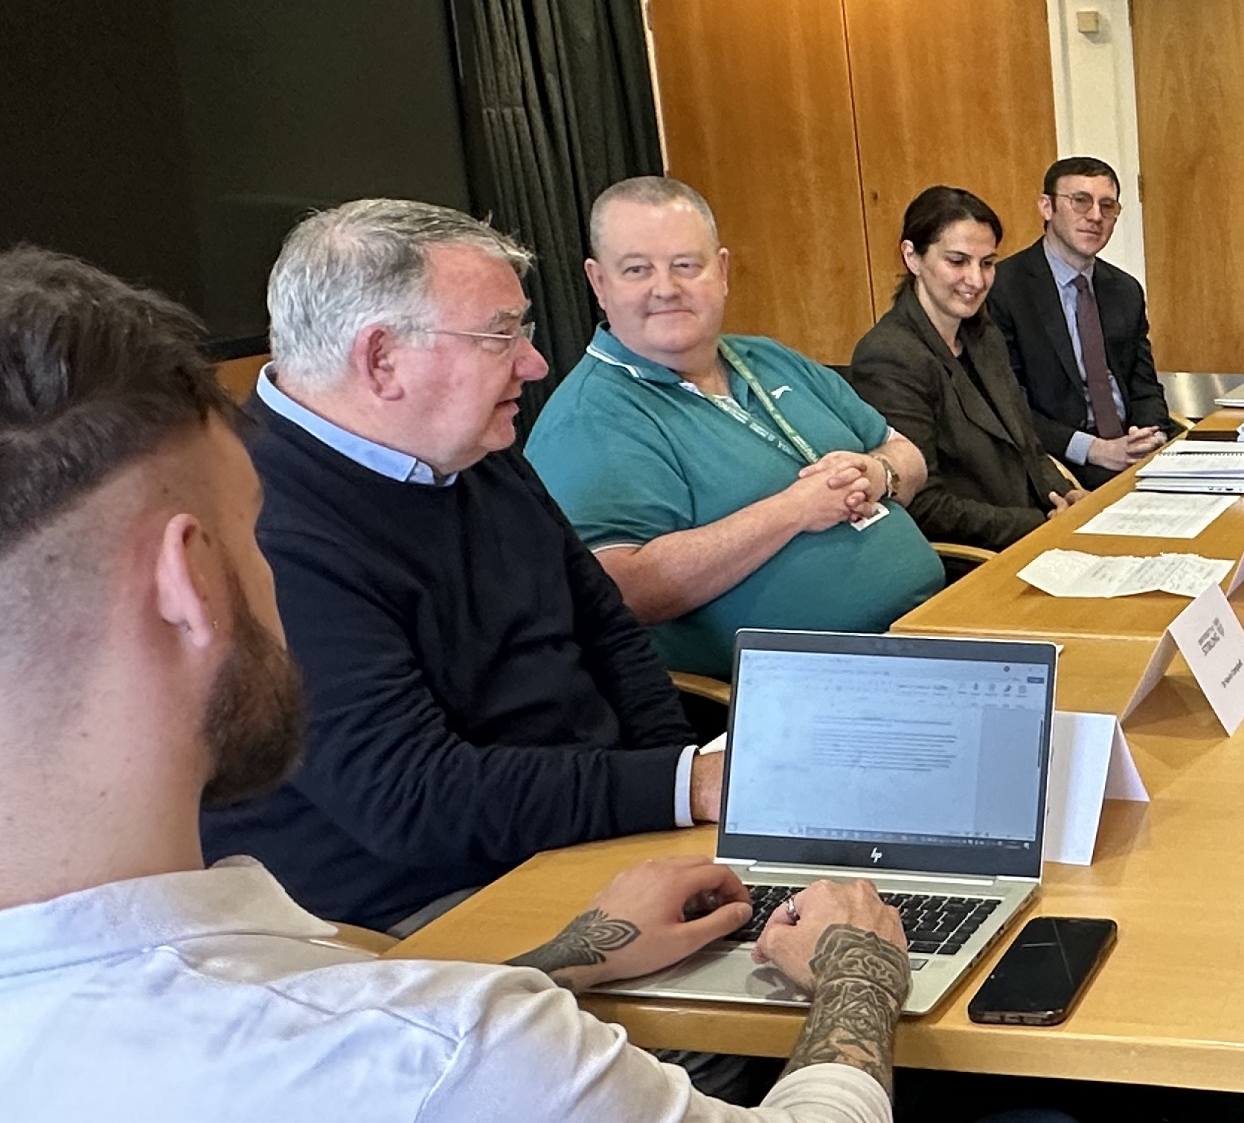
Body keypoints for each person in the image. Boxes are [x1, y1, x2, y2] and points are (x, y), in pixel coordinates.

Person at [0, 248, 1133, 1123]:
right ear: (187, 583)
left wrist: (572, 956)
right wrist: (855, 976)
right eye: (255, 539)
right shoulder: (439, 1074)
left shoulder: (365, 1052)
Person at [199, 200, 716, 934]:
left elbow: (610, 633)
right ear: (382, 360)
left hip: (586, 836)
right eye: (501, 335)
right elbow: (411, 797)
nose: (535, 363)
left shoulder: (467, 443)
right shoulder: (258, 519)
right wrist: (680, 787)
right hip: (423, 912)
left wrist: (684, 807)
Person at [526, 176, 943, 679]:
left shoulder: (769, 357)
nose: (666, 289)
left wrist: (878, 474)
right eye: (637, 270)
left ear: (721, 271)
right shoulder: (590, 418)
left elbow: (906, 454)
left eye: (686, 265)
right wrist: (795, 510)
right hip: (813, 685)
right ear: (598, 283)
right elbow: (621, 590)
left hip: (937, 625)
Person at [851, 186, 1080, 551]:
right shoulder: (889, 356)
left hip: (1038, 532)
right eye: (957, 261)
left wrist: (1069, 496)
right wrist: (1041, 524)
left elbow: (1028, 446)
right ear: (912, 257)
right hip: (979, 557)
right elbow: (924, 505)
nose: (976, 280)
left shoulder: (984, 334)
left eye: (987, 263)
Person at [989, 156, 1173, 489]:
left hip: (1132, 448)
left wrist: (1150, 435)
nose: (1095, 216)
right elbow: (1008, 406)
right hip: (1063, 460)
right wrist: (1094, 449)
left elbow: (1144, 385)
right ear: (1047, 207)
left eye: (1107, 206)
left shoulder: (1125, 290)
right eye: (1081, 201)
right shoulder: (1003, 289)